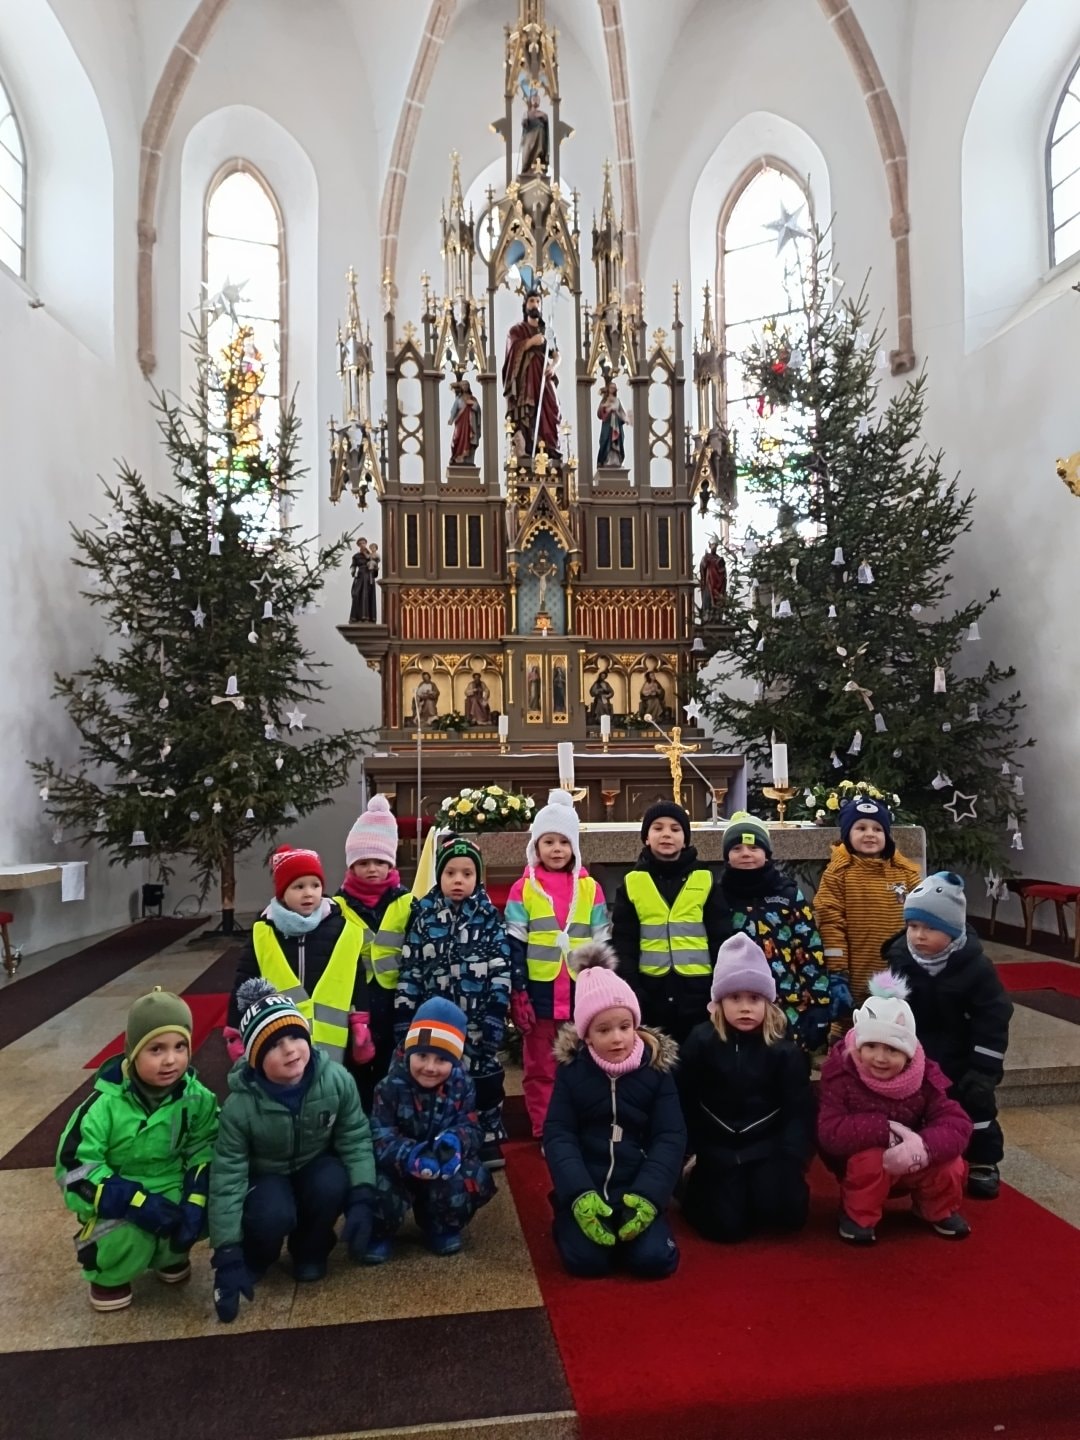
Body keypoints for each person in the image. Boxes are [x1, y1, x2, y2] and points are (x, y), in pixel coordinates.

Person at [208, 982, 378, 1319]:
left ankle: (311, 1249)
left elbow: (355, 1137)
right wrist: (226, 1253)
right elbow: (227, 1178)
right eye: (274, 1045)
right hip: (266, 1174)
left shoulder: (336, 1080)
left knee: (332, 1182)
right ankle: (258, 1254)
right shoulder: (239, 1107)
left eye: (295, 1037)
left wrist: (363, 1195)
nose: (290, 1050)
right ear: (256, 1059)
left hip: (313, 1164)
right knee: (273, 1212)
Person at [55, 987, 218, 1311]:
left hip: (170, 1183)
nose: (170, 1060)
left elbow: (206, 1145)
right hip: (119, 1191)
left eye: (180, 1046)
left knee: (205, 1209)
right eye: (156, 1049)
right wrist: (133, 1200)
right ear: (133, 1051)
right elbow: (75, 1169)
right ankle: (107, 1272)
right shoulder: (103, 1105)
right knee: (129, 1232)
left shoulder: (198, 1097)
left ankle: (169, 1256)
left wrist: (196, 1196)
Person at [543, 942, 685, 1279]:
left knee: (653, 1262)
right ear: (587, 1036)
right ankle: (567, 1215)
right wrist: (578, 1192)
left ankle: (647, 1222)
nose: (618, 1038)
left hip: (638, 1184)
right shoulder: (573, 1071)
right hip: (588, 1184)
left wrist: (650, 1195)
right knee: (586, 1263)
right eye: (604, 1030)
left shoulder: (656, 1070)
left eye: (625, 1026)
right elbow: (559, 1134)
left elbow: (670, 1136)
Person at [883, 873, 1013, 1201]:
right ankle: (918, 1154)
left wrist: (984, 1070)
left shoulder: (977, 968)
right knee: (914, 1106)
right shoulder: (899, 959)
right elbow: (886, 1006)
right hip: (915, 1052)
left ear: (953, 930)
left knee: (975, 1104)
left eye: (930, 928)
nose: (919, 935)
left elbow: (993, 1019)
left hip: (962, 1052)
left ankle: (983, 1159)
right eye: (913, 926)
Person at [817, 971, 973, 1243]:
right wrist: (885, 1132)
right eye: (871, 1046)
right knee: (870, 1161)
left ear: (908, 1053)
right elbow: (829, 1130)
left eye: (892, 1050)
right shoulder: (841, 1074)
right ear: (858, 1047)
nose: (881, 1058)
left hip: (914, 1156)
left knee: (950, 1164)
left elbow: (956, 1122)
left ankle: (937, 1209)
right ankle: (858, 1215)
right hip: (861, 1159)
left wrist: (924, 1147)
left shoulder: (924, 1076)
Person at [677, 935, 815, 1242]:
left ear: (767, 1002)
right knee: (726, 1228)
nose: (745, 1008)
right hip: (717, 1148)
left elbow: (798, 1110)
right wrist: (693, 1150)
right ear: (719, 1002)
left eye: (754, 999)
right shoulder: (700, 1041)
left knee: (787, 1214)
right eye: (735, 998)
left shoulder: (784, 1050)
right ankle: (692, 1182)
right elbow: (685, 1098)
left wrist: (792, 1160)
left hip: (766, 1148)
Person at [395, 839, 512, 1168]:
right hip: (435, 1019)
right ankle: (442, 1134)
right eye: (450, 873)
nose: (458, 880)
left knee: (484, 1076)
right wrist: (404, 1012)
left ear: (478, 877)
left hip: (477, 1018)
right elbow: (411, 967)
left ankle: (487, 1135)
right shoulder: (424, 916)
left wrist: (496, 1011)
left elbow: (500, 966)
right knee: (438, 1073)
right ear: (439, 875)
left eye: (467, 873)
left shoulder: (488, 917)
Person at [505, 790, 610, 1138]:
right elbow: (515, 942)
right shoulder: (523, 889)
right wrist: (518, 989)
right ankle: (546, 1128)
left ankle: (581, 1125)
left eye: (564, 842)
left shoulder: (591, 889)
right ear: (536, 846)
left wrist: (603, 987)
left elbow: (602, 941)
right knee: (540, 1065)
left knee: (584, 1063)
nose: (556, 849)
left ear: (575, 847)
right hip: (541, 993)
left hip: (581, 993)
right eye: (548, 841)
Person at [225, 846, 374, 1084]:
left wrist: (360, 1022)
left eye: (315, 885)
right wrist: (235, 1031)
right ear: (282, 892)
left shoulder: (342, 929)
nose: (308, 893)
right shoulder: (264, 931)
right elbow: (244, 981)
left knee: (331, 1091)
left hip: (333, 1045)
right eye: (298, 886)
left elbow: (356, 978)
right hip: (281, 1043)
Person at [367, 997, 496, 1261]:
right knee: (373, 1186)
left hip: (440, 1166)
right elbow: (379, 1137)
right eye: (422, 1055)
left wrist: (455, 1142)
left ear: (455, 1060)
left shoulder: (463, 1085)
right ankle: (378, 1232)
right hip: (398, 1167)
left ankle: (441, 1225)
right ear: (409, 1051)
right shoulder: (388, 1086)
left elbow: (471, 1126)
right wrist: (411, 1156)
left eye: (441, 1059)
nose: (430, 1067)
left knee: (474, 1176)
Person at [716, 811, 849, 1053]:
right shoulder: (719, 896)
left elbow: (809, 948)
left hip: (787, 1002)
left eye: (754, 848)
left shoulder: (787, 894)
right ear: (727, 856)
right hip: (737, 1002)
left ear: (767, 854)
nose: (746, 854)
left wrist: (818, 1002)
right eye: (737, 848)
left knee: (787, 1059)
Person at [611, 800, 728, 1045]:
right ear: (646, 838)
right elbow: (624, 941)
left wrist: (719, 988)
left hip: (699, 993)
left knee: (698, 1056)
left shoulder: (705, 880)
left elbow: (720, 937)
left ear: (685, 840)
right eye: (658, 828)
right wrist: (633, 987)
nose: (666, 834)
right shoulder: (632, 882)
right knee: (657, 1056)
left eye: (675, 829)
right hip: (651, 993)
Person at [338, 796, 414, 1105]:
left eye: (380, 862)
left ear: (391, 864)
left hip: (395, 997)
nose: (372, 869)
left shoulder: (406, 902)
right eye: (364, 863)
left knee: (390, 1063)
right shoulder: (338, 906)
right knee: (356, 1066)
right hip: (355, 999)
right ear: (352, 865)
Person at [813, 794, 921, 1008]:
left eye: (877, 829)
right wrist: (837, 972)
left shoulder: (905, 872)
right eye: (861, 828)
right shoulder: (838, 874)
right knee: (855, 1020)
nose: (870, 834)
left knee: (897, 1018)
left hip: (899, 970)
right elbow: (831, 923)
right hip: (856, 969)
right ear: (847, 834)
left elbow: (921, 915)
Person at [503, 291, 561, 458]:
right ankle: (527, 446)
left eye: (537, 301)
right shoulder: (517, 330)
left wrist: (554, 366)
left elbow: (556, 354)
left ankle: (549, 447)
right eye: (531, 301)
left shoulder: (547, 331)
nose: (535, 304)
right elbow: (512, 350)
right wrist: (530, 342)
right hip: (526, 377)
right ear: (525, 305)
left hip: (543, 374)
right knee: (528, 408)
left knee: (553, 407)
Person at [448, 379, 481, 465]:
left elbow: (478, 409)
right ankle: (456, 456)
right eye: (463, 385)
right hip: (460, 422)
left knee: (468, 439)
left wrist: (473, 404)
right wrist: (451, 419)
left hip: (470, 424)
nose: (465, 386)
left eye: (466, 385)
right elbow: (454, 410)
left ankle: (465, 457)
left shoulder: (473, 398)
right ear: (461, 387)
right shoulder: (459, 399)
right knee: (456, 438)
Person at [596, 380, 628, 467]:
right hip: (607, 424)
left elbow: (622, 413)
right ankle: (605, 460)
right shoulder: (604, 400)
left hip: (616, 424)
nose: (612, 389)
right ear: (608, 389)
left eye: (614, 388)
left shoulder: (617, 400)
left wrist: (625, 418)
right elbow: (599, 414)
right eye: (611, 387)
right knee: (605, 440)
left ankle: (616, 460)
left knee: (617, 441)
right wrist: (605, 407)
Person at [698, 538, 727, 619]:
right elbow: (702, 568)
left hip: (718, 586)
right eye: (712, 545)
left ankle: (717, 618)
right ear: (709, 546)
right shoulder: (706, 557)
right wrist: (705, 561)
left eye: (715, 545)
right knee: (707, 601)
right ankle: (707, 619)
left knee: (718, 602)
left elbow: (723, 573)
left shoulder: (719, 558)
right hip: (709, 584)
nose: (714, 547)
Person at [349, 537, 371, 624]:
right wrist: (353, 571)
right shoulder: (356, 556)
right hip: (360, 576)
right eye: (360, 543)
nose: (362, 545)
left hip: (368, 576)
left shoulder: (370, 555)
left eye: (363, 543)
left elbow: (374, 563)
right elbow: (353, 566)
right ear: (358, 545)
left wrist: (367, 554)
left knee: (366, 595)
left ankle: (366, 617)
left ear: (366, 544)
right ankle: (355, 616)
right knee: (356, 594)